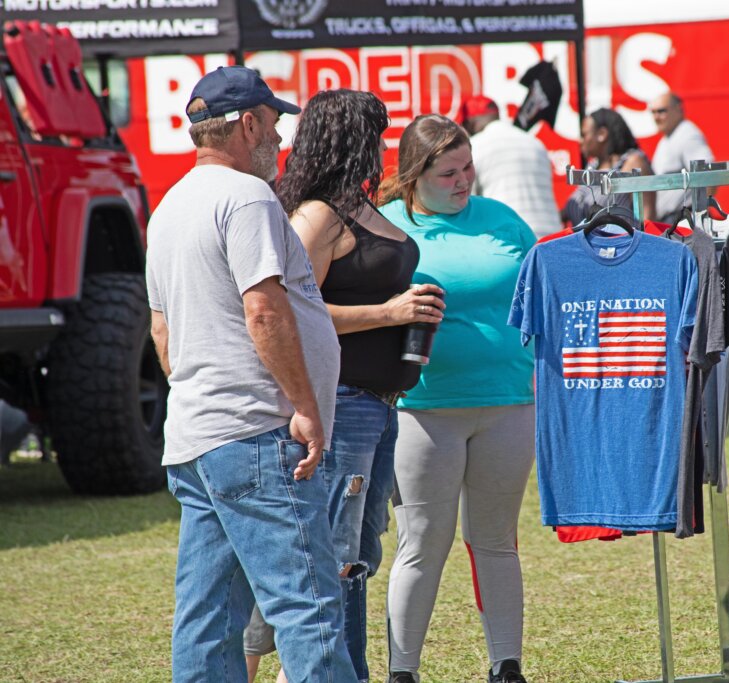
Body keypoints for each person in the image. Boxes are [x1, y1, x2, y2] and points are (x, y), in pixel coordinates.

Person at [145, 66, 356, 683]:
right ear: (248, 123)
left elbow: (162, 333)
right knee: (307, 608)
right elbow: (263, 309)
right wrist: (306, 406)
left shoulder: (169, 208)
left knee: (207, 618)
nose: (281, 138)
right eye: (274, 123)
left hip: (198, 434)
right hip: (257, 432)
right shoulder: (246, 196)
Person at [242, 89, 445, 683]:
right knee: (332, 557)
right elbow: (292, 309)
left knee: (354, 557)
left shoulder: (356, 207)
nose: (383, 145)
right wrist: (390, 313)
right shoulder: (318, 215)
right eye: (375, 134)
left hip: (378, 405)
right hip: (344, 399)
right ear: (349, 139)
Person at [377, 114, 536, 683]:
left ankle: (507, 666)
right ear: (415, 175)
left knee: (496, 541)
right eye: (449, 173)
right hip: (423, 410)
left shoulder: (504, 221)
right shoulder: (387, 227)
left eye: (468, 167)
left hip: (509, 403)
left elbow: (537, 298)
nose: (464, 180)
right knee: (422, 543)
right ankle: (404, 671)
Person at [458, 94, 562, 238]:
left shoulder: (475, 146)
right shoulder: (535, 143)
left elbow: (469, 207)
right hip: (552, 236)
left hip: (513, 239)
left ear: (470, 122)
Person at [560, 107, 656, 225]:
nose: (580, 141)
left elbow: (647, 219)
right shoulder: (592, 167)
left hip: (620, 243)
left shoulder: (633, 162)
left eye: (584, 135)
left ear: (602, 134)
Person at [649, 91, 714, 223]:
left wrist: (699, 216)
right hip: (670, 220)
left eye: (661, 111)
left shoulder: (687, 135)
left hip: (682, 220)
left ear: (678, 109)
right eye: (653, 112)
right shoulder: (669, 136)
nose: (656, 117)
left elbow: (708, 175)